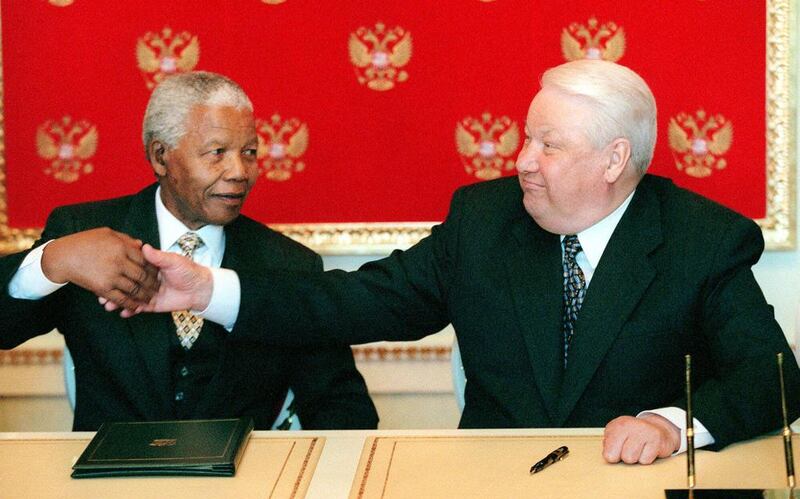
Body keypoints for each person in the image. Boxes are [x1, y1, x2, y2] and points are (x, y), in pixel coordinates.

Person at [128, 61, 799, 464]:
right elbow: (352, 301)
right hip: (498, 485)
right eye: (526, 137)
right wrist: (208, 290)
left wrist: (671, 424)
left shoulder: (701, 239)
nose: (522, 160)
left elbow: (772, 378)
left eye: (549, 145)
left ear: (615, 159)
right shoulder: (485, 221)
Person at [0, 71, 377, 431]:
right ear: (160, 156)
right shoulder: (79, 235)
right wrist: (52, 262)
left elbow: (345, 410)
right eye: (217, 152)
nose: (239, 172)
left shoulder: (290, 265)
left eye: (249, 152)